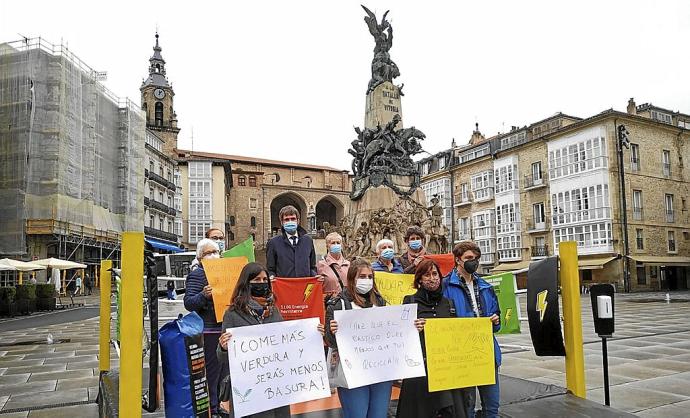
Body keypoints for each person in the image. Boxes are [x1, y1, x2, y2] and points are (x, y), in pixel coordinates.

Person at [217, 262, 323, 418]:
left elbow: (287, 344)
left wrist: (313, 334)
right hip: (250, 389)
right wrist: (223, 347)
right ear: (246, 283)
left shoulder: (274, 311)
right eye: (256, 280)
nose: (261, 283)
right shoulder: (232, 314)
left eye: (264, 280)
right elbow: (222, 358)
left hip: (275, 388)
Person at [398, 259, 469, 418]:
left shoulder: (448, 303)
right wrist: (412, 328)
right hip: (420, 373)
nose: (432, 278)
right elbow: (400, 336)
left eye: (435, 274)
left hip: (445, 370)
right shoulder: (409, 302)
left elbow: (457, 334)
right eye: (427, 275)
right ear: (419, 280)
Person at [325, 258, 393, 418]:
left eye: (370, 277)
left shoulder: (380, 301)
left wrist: (410, 327)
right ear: (352, 279)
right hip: (353, 373)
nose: (367, 281)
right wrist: (332, 331)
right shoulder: (338, 304)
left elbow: (391, 332)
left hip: (379, 371)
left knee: (379, 415)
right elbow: (330, 342)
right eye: (362, 277)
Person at [442, 241, 501, 418]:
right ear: (458, 260)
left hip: (486, 351)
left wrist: (495, 321)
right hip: (461, 354)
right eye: (469, 258)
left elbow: (497, 321)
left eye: (476, 258)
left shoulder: (486, 286)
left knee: (492, 405)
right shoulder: (445, 286)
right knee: (466, 406)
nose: (473, 261)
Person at [183, 238, 224, 416]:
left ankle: (220, 404)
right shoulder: (197, 275)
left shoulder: (224, 272)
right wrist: (203, 295)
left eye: (215, 252)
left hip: (224, 327)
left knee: (223, 372)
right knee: (212, 372)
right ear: (200, 257)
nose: (213, 256)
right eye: (208, 253)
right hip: (208, 330)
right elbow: (189, 303)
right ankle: (212, 408)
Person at [266, 205, 316, 278]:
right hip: (284, 287)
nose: (290, 222)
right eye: (286, 219)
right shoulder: (273, 243)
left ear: (298, 221)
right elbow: (270, 269)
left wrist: (315, 276)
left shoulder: (308, 240)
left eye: (293, 219)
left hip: (304, 286)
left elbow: (312, 266)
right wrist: (271, 277)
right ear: (282, 222)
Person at [316, 232, 351, 299]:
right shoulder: (320, 265)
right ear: (327, 246)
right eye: (333, 243)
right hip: (329, 303)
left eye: (338, 243)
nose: (336, 245)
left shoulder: (348, 264)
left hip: (346, 303)